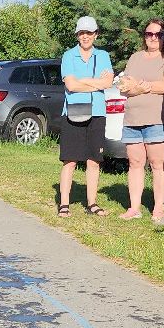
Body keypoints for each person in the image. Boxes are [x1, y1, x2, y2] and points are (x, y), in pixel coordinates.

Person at [57, 15, 113, 218]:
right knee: (70, 161)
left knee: (93, 160)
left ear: (96, 34)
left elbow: (108, 83)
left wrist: (84, 81)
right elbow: (71, 85)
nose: (85, 36)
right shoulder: (68, 56)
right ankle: (64, 203)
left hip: (97, 113)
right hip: (73, 111)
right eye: (82, 33)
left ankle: (92, 203)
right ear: (77, 35)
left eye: (89, 32)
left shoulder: (103, 56)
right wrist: (95, 82)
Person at [116, 19, 164, 220]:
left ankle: (158, 208)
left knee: (157, 163)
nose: (153, 38)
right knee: (135, 162)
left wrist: (138, 84)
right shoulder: (135, 58)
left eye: (158, 34)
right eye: (149, 34)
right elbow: (123, 87)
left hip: (157, 118)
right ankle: (134, 207)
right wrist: (145, 87)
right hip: (132, 119)